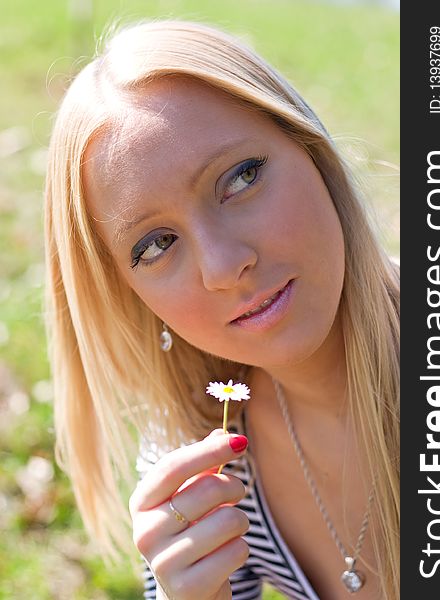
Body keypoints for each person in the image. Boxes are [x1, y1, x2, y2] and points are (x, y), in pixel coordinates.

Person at [44, 19, 399, 600]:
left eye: (241, 178)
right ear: (133, 295)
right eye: (155, 244)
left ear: (311, 149)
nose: (223, 265)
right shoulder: (202, 451)